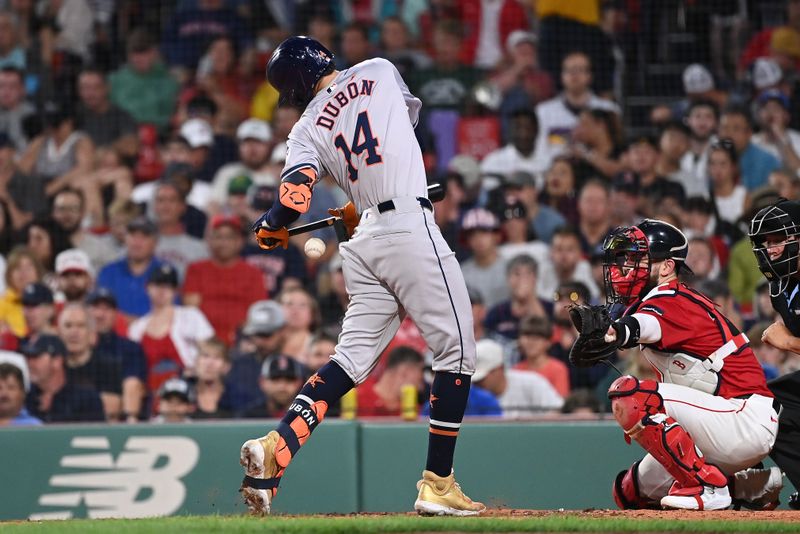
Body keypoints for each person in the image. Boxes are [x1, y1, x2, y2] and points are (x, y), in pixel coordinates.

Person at [240, 36, 484, 516]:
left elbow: (292, 200)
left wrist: (270, 226)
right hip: (407, 225)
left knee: (349, 360)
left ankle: (275, 445)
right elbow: (391, 142)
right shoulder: (378, 68)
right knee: (457, 350)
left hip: (365, 239)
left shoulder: (304, 128)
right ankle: (438, 483)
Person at [580, 219, 780, 510]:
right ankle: (747, 485)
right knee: (628, 490)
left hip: (743, 417)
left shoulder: (673, 298)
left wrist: (612, 332)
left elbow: (642, 326)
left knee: (632, 395)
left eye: (638, 259)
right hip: (718, 423)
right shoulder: (656, 300)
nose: (626, 268)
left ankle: (709, 486)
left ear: (666, 267)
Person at [747, 199, 800, 510]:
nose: (772, 249)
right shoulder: (781, 287)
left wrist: (790, 343)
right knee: (768, 408)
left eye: (779, 239)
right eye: (766, 243)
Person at [128, 263, 214, 395]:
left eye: (168, 286)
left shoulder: (191, 316)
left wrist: (196, 370)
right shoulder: (137, 328)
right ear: (147, 287)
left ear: (176, 291)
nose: (162, 291)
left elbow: (211, 351)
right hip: (150, 394)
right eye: (157, 285)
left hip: (188, 389)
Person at [183, 214, 267, 346]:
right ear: (209, 241)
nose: (223, 243)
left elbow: (256, 314)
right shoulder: (196, 269)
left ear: (239, 242)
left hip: (241, 343)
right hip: (203, 342)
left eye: (229, 238)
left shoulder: (253, 273)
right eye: (218, 237)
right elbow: (192, 310)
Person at [87, 288, 147, 422]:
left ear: (115, 314)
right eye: (95, 308)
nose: (100, 315)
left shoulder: (129, 348)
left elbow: (133, 385)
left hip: (117, 419)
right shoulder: (76, 347)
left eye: (106, 309)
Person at [472, 338, 563, 418]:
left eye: (482, 378)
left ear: (500, 368)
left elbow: (557, 410)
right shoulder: (470, 394)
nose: (478, 382)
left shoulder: (531, 382)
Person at [23, 334, 104, 422]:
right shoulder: (24, 396)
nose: (29, 363)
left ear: (57, 361)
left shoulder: (85, 398)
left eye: (35, 357)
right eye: (27, 357)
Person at [355, 346, 425, 417]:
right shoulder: (355, 399)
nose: (420, 387)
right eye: (419, 379)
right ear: (405, 372)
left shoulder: (415, 412)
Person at [0, 361, 41, 426]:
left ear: (23, 393)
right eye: (0, 388)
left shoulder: (34, 427)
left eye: (11, 388)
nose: (4, 394)